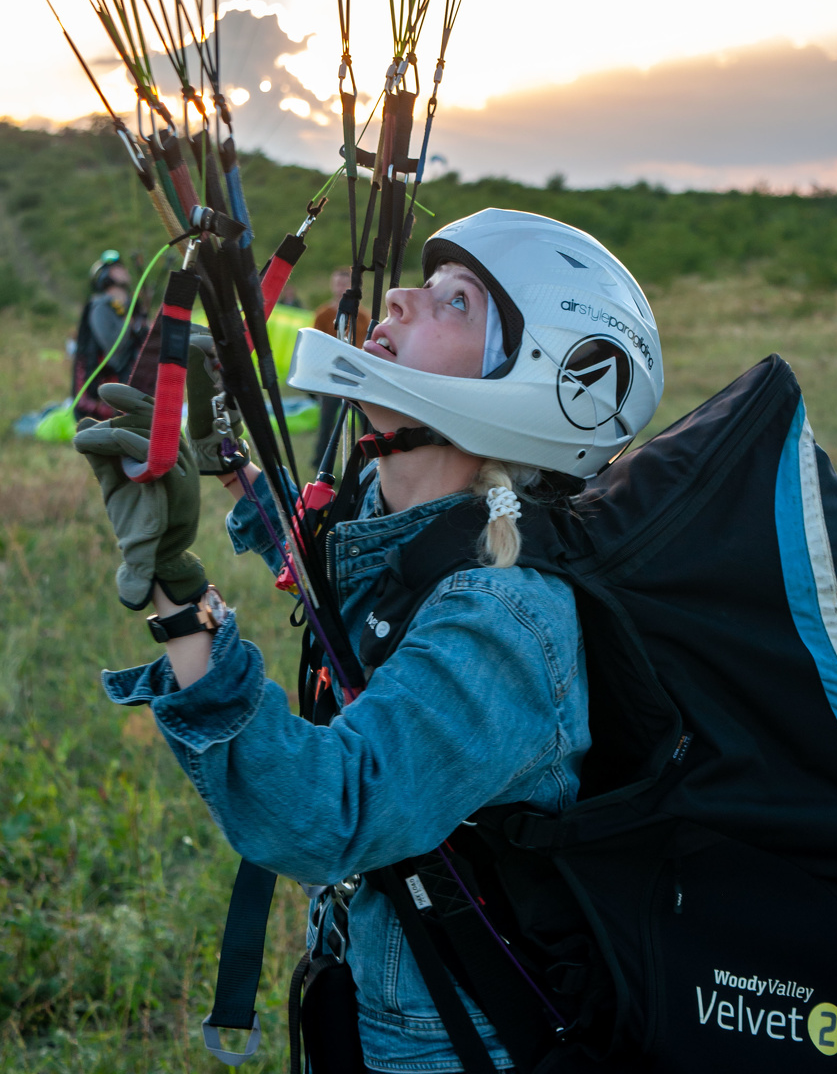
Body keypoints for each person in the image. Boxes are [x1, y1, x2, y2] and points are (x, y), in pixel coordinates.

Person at [74, 209, 662, 1072]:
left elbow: (327, 810)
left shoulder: (504, 620)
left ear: (536, 382)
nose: (399, 298)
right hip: (377, 994)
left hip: (452, 1043)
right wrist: (231, 463)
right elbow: (341, 577)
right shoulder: (419, 527)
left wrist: (177, 590)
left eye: (456, 302)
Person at [72, 249, 148, 419]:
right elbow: (115, 349)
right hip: (105, 398)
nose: (124, 270)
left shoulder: (132, 306)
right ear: (105, 276)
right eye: (117, 268)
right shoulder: (100, 307)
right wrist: (130, 322)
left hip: (132, 388)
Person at [312, 266, 371, 465]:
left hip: (357, 376)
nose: (341, 289)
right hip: (331, 375)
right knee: (327, 422)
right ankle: (320, 464)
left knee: (366, 421)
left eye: (345, 284)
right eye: (338, 284)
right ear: (332, 286)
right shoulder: (323, 315)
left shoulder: (363, 317)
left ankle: (367, 463)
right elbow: (317, 346)